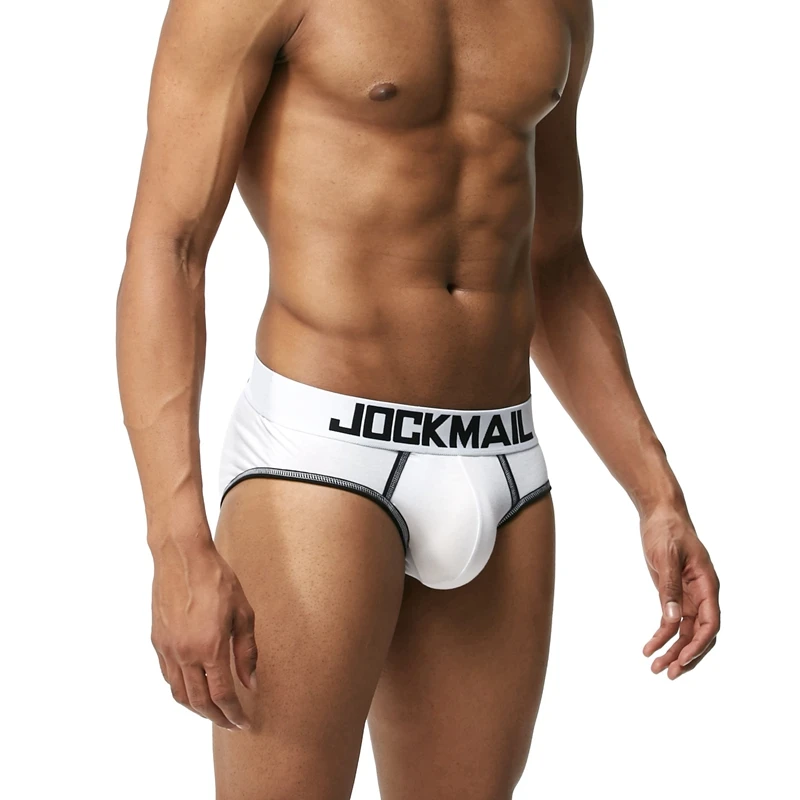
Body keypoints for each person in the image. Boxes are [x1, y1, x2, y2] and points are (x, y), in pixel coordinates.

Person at [116, 0, 721, 797]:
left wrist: (657, 495)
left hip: (503, 466)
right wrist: (176, 544)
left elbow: (553, 260)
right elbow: (169, 246)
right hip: (321, 460)